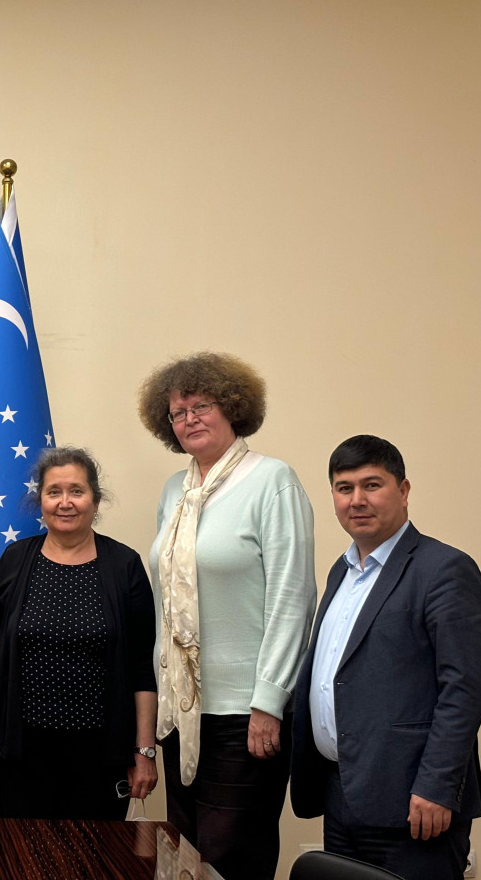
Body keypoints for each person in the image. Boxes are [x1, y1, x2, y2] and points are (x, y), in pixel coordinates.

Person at [137, 352, 315, 880]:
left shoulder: (273, 481)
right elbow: (166, 601)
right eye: (177, 412)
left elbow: (293, 597)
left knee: (231, 855)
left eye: (201, 405)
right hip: (183, 711)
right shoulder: (176, 489)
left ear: (233, 407)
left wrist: (269, 701)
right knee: (186, 850)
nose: (189, 418)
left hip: (245, 712)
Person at [291, 435, 481, 880]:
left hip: (414, 804)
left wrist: (438, 785)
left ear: (403, 491)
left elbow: (465, 689)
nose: (356, 500)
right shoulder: (341, 571)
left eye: (371, 485)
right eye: (344, 488)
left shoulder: (444, 569)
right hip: (341, 795)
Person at [0, 447, 158, 819]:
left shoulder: (124, 566)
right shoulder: (16, 560)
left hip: (101, 756)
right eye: (54, 492)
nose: (65, 502)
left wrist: (144, 750)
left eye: (77, 491)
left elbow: (140, 668)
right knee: (23, 863)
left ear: (96, 500)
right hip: (21, 751)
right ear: (40, 500)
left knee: (93, 864)